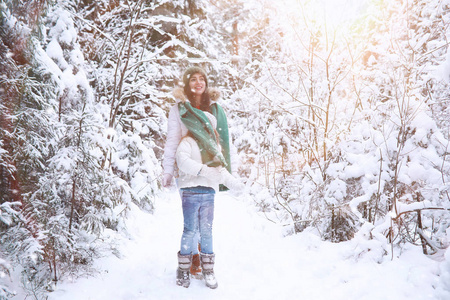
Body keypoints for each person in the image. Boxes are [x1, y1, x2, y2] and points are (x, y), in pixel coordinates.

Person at [161, 66, 242, 289]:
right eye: (193, 79)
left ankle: (199, 260)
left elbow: (223, 142)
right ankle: (190, 262)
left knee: (205, 226)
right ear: (187, 84)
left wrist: (228, 174)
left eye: (202, 79)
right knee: (191, 225)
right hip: (188, 172)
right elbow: (172, 141)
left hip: (211, 175)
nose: (198, 83)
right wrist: (168, 170)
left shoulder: (215, 109)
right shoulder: (179, 109)